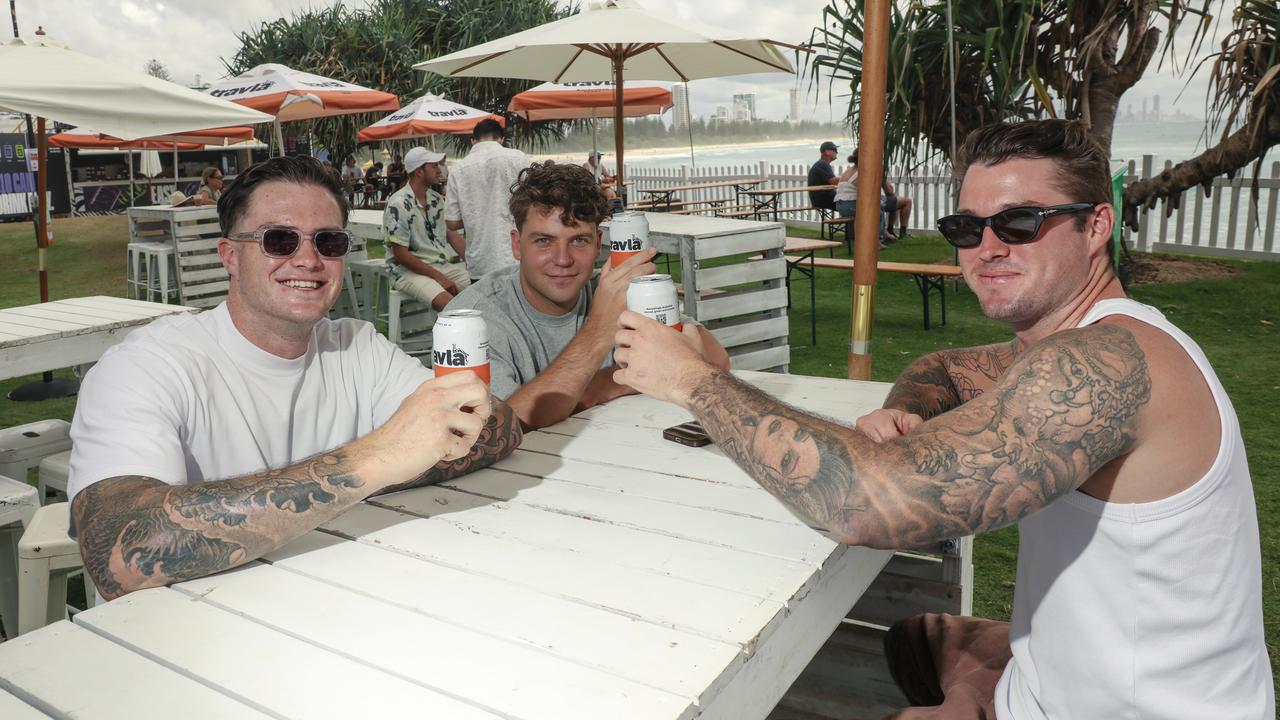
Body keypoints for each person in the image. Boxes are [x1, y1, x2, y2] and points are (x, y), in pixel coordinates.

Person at [613, 119, 1272, 719]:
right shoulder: (1061, 347)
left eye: (1019, 223)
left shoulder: (1108, 361)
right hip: (1049, 684)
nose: (987, 247)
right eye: (966, 228)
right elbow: (948, 369)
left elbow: (865, 506)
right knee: (913, 635)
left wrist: (697, 382)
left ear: (1096, 227)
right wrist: (905, 411)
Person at [67, 155, 521, 603]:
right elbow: (118, 553)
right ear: (230, 256)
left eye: (329, 242)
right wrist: (375, 460)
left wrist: (389, 459)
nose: (308, 260)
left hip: (339, 598)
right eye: (279, 240)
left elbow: (495, 426)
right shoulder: (148, 366)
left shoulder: (356, 346)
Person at [448, 160, 729, 431]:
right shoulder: (474, 320)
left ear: (598, 246)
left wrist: (588, 391)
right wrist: (603, 340)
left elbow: (716, 360)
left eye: (579, 241)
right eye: (543, 241)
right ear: (517, 245)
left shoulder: (615, 291)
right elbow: (497, 428)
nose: (562, 259)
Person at [383, 147, 469, 311]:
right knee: (450, 306)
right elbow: (401, 255)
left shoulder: (436, 199)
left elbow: (452, 235)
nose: (439, 170)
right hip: (406, 272)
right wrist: (439, 277)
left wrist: (473, 264)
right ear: (419, 172)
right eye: (434, 166)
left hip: (439, 265)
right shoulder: (398, 204)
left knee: (484, 293)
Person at [444, 118, 531, 280]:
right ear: (501, 139)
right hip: (515, 256)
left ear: (473, 141)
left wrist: (476, 213)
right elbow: (534, 202)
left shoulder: (458, 170)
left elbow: (452, 223)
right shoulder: (518, 158)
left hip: (480, 261)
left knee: (483, 305)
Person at [807, 140, 840, 211]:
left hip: (820, 199)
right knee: (851, 204)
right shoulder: (823, 164)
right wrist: (849, 178)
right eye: (834, 150)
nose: (837, 152)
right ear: (827, 152)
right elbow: (834, 181)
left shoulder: (821, 164)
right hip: (823, 200)